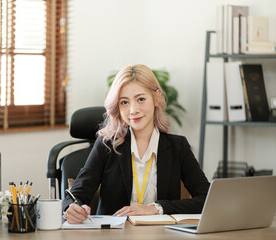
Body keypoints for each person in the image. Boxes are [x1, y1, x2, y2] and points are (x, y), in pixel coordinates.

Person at [63, 64, 210, 224]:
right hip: (116, 236)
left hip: (161, 235)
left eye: (141, 99)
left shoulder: (178, 146)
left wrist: (156, 208)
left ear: (156, 98)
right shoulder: (106, 145)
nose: (133, 110)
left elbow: (207, 199)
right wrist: (71, 208)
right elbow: (75, 196)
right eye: (124, 102)